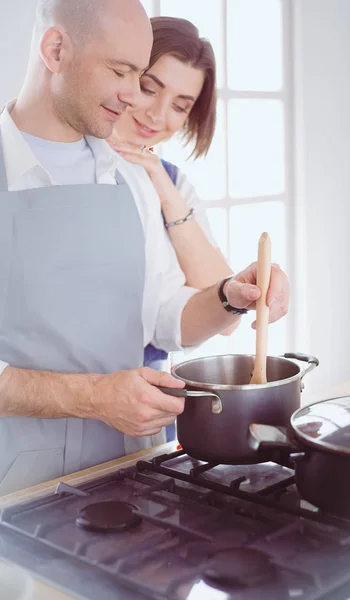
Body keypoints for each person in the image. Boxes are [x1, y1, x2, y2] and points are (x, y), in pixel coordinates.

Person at [0, 0, 290, 496]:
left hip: (127, 466)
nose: (136, 98)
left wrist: (227, 296)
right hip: (13, 485)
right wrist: (93, 396)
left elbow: (163, 316)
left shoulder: (132, 177)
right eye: (124, 72)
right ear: (54, 49)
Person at [108, 17, 235, 442]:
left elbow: (227, 310)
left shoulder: (174, 183)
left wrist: (159, 179)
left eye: (181, 105)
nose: (158, 115)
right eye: (149, 87)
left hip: (147, 406)